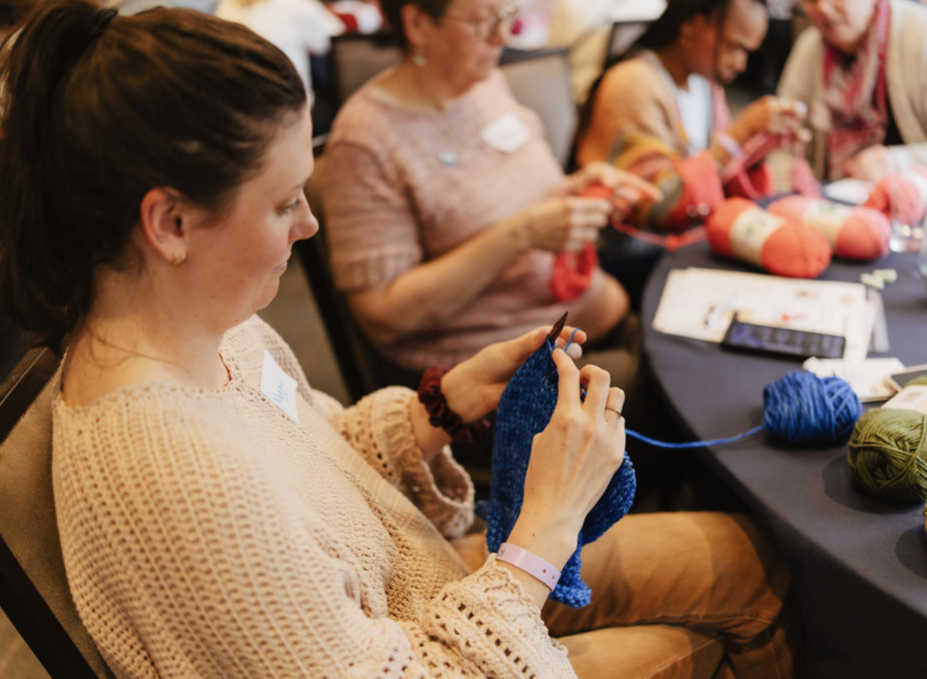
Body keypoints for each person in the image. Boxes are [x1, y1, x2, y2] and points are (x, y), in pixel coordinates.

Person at [0, 3, 801, 678]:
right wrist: (549, 523)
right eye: (283, 204)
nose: (310, 225)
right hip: (434, 640)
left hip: (430, 588)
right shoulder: (172, 473)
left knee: (740, 552)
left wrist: (443, 403)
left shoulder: (208, 326)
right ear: (170, 222)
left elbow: (314, 456)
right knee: (713, 628)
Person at [319, 0, 663, 387]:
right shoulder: (366, 141)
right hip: (497, 373)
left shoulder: (484, 85)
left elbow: (508, 198)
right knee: (678, 398)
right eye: (485, 21)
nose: (503, 36)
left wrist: (574, 189)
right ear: (417, 23)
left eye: (507, 16)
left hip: (583, 319)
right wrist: (520, 235)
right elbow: (383, 314)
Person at [575, 0, 808, 221]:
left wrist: (756, 149)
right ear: (692, 26)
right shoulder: (632, 84)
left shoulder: (706, 85)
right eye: (733, 47)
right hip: (630, 252)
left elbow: (718, 173)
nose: (740, 64)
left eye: (747, 52)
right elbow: (655, 207)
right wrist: (739, 134)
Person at [778, 0, 927, 182]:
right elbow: (784, 146)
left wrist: (897, 161)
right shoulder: (811, 49)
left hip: (924, 219)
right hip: (837, 215)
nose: (823, 9)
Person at [215, 0, 343, 105]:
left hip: (238, 107)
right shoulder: (297, 5)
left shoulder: (224, 8)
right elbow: (325, 43)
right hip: (292, 107)